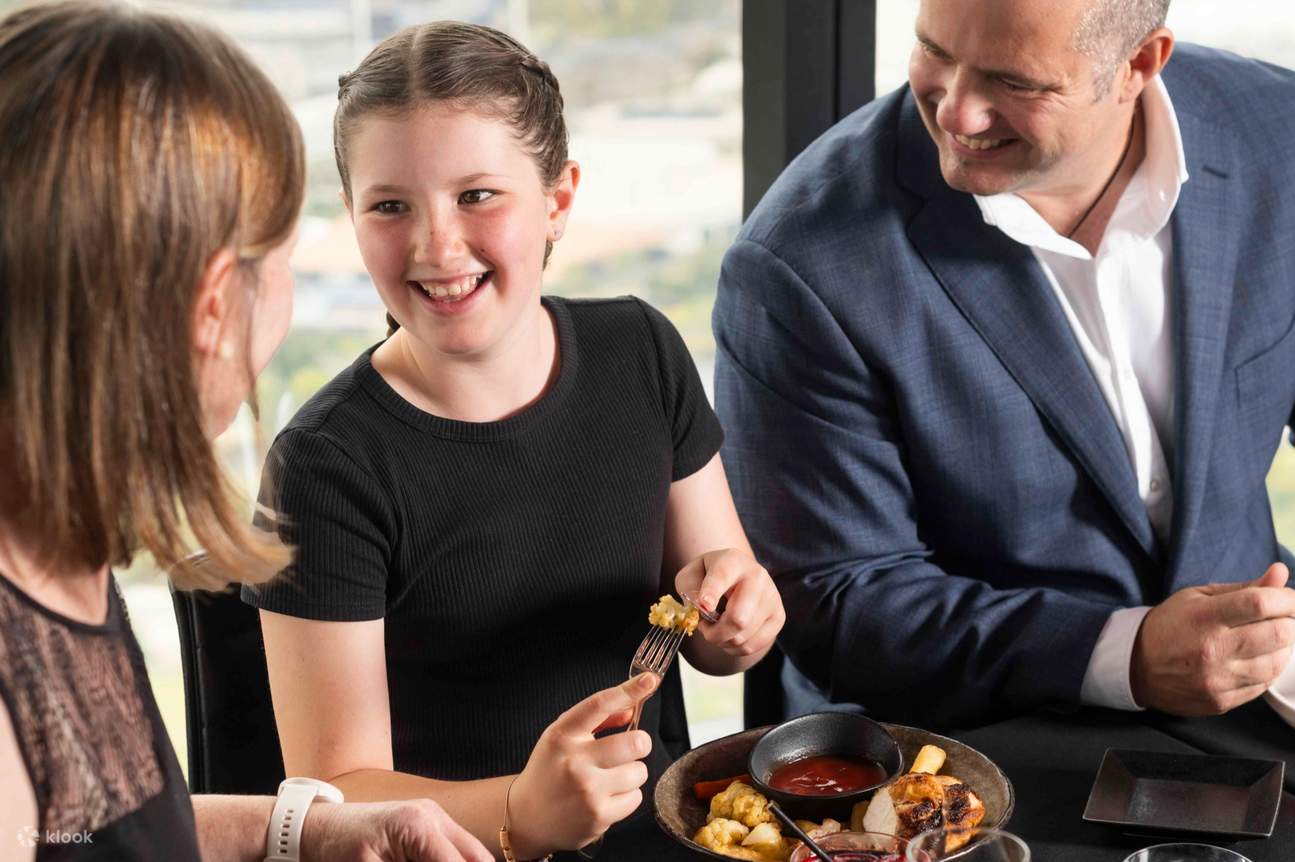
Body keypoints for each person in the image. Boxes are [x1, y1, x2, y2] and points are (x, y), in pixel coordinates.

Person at [240, 20, 785, 862]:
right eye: (390, 206)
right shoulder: (325, 466)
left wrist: (738, 616)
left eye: (476, 195)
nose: (435, 245)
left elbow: (716, 627)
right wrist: (525, 811)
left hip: (668, 832)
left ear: (557, 201)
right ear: (351, 219)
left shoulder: (642, 349)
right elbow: (337, 794)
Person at [714, 0, 1295, 731]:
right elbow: (837, 600)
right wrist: (1128, 656)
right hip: (969, 753)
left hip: (1262, 698)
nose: (955, 115)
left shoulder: (1280, 134)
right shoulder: (803, 261)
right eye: (933, 53)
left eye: (1013, 82)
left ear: (1139, 66)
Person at [0, 3, 494, 860]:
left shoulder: (52, 553)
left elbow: (78, 832)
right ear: (212, 306)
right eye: (283, 259)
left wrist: (304, 830)